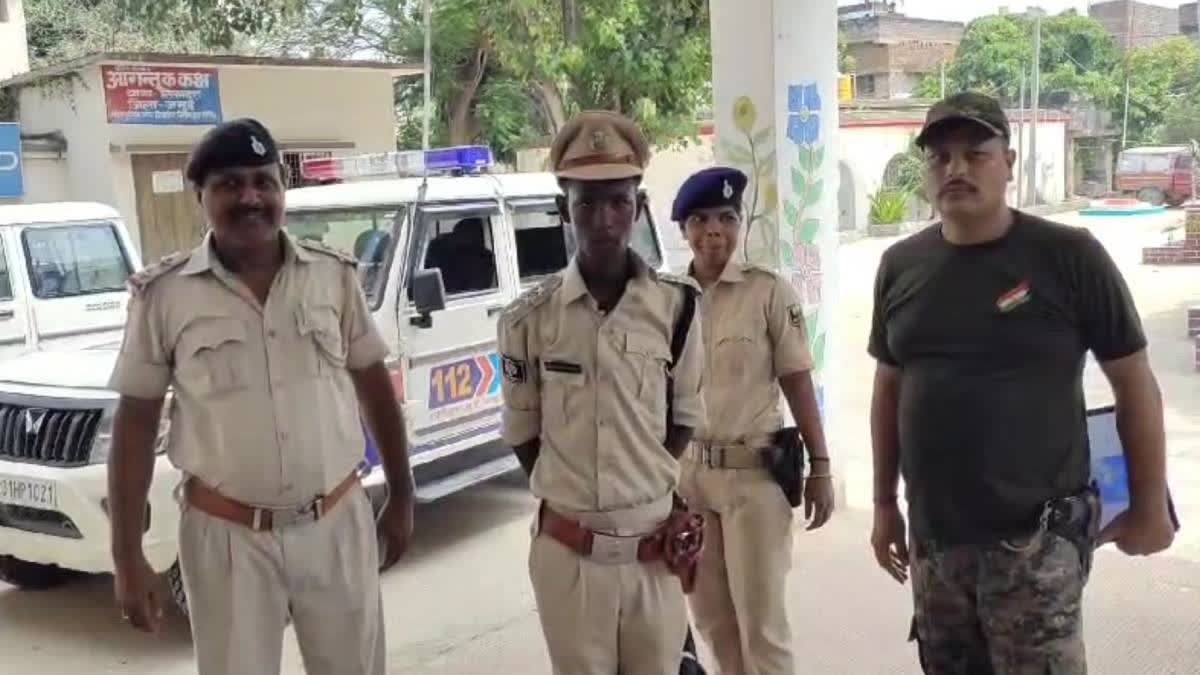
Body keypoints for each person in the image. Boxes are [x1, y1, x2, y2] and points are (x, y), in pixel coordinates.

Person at [867, 92, 1175, 674]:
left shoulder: (1069, 256)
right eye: (940, 158)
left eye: (974, 154)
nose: (955, 169)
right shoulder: (901, 266)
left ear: (1008, 162)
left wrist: (1150, 503)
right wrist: (885, 503)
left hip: (1036, 544)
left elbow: (1134, 381)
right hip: (936, 545)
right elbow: (889, 389)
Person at [106, 118, 415, 675]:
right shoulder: (164, 296)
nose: (250, 197)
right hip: (227, 539)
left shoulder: (333, 277)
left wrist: (403, 494)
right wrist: (126, 556)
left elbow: (374, 389)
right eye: (229, 184)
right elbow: (134, 425)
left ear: (281, 191)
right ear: (201, 196)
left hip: (337, 521)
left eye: (263, 181)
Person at [496, 110, 707, 675]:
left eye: (617, 201)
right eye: (585, 202)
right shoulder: (529, 320)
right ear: (565, 209)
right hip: (569, 556)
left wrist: (641, 479)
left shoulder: (679, 308)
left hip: (652, 553)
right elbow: (524, 433)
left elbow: (683, 414)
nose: (602, 218)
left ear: (638, 208)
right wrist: (578, 490)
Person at [675, 166, 835, 675]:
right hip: (691, 480)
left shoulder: (768, 291)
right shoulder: (667, 299)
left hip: (754, 479)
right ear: (684, 229)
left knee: (761, 629)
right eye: (700, 219)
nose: (713, 230)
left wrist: (823, 466)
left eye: (726, 217)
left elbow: (797, 380)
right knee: (715, 625)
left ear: (741, 225)